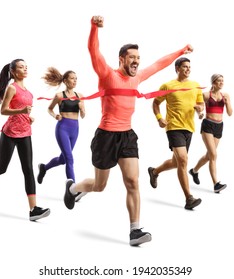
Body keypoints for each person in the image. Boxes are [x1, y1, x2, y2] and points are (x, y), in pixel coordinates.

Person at [62, 15, 193, 246]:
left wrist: (181, 50)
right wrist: (94, 28)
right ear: (122, 59)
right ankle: (73, 189)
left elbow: (159, 64)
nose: (136, 62)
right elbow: (94, 51)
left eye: (138, 58)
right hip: (106, 137)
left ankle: (135, 230)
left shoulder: (138, 77)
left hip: (127, 136)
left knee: (133, 182)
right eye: (132, 57)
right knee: (99, 186)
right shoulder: (107, 74)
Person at [0, 59, 50, 221]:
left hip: (25, 133)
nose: (25, 69)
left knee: (28, 170)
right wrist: (22, 110)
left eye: (26, 67)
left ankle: (33, 210)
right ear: (13, 71)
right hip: (9, 133)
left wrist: (28, 117)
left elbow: (21, 111)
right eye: (21, 67)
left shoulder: (28, 91)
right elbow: (3, 110)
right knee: (2, 168)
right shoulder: (12, 88)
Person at [148, 57, 204, 210]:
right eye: (185, 67)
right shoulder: (168, 85)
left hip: (189, 128)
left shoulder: (195, 86)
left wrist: (200, 109)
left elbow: (200, 103)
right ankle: (189, 198)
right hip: (173, 127)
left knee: (176, 162)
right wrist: (160, 118)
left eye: (189, 67)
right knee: (184, 160)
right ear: (177, 68)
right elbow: (155, 102)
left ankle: (154, 171)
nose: (188, 69)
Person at [37, 67, 87, 202]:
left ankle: (44, 168)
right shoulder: (60, 96)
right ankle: (74, 190)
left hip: (75, 129)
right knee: (70, 159)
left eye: (76, 78)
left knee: (64, 159)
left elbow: (83, 116)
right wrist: (55, 116)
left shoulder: (80, 96)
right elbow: (49, 108)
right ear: (65, 80)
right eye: (72, 78)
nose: (75, 81)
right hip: (62, 128)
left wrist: (82, 109)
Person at [188, 74, 233, 193]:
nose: (221, 83)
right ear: (213, 82)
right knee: (214, 155)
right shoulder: (207, 95)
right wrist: (200, 113)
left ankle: (194, 171)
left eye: (222, 81)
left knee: (209, 156)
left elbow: (230, 113)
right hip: (208, 125)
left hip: (219, 126)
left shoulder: (226, 95)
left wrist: (227, 103)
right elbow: (200, 107)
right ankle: (216, 184)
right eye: (219, 81)